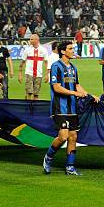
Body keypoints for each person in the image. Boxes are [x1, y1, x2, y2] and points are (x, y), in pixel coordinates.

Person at [42, 41, 97, 176]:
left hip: (72, 108)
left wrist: (89, 95)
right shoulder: (56, 66)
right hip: (59, 107)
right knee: (63, 136)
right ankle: (48, 158)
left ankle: (70, 167)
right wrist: (74, 93)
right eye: (70, 48)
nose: (73, 51)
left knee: (73, 136)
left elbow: (77, 85)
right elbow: (56, 87)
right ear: (62, 51)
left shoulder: (73, 68)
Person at [19, 34, 48, 100]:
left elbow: (46, 62)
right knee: (29, 93)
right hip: (29, 73)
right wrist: (20, 74)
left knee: (36, 94)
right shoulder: (27, 50)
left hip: (38, 75)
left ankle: (34, 109)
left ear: (37, 40)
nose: (30, 41)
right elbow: (22, 62)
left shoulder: (43, 50)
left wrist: (47, 74)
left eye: (31, 39)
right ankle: (28, 107)